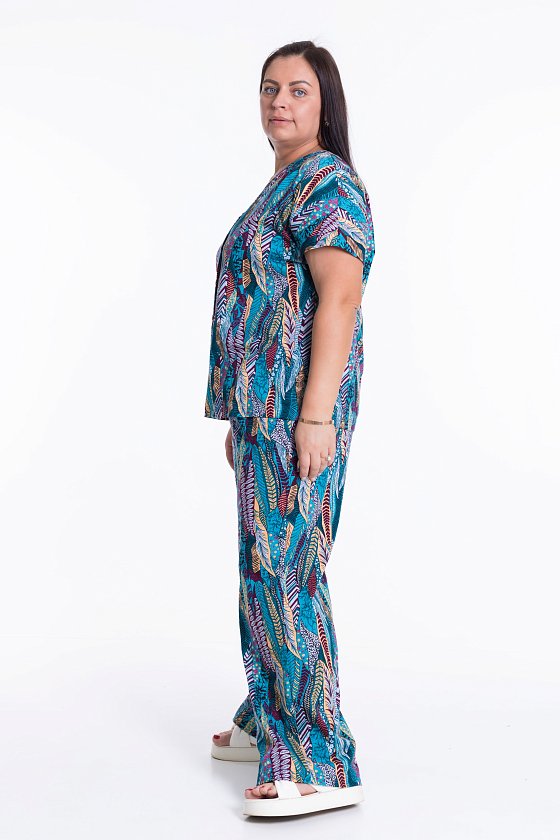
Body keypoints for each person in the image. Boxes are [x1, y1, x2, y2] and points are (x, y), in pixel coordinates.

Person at [203, 40, 375, 818]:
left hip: (299, 411)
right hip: (263, 412)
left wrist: (313, 417)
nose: (280, 101)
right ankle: (268, 718)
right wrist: (244, 412)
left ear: (324, 102)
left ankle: (318, 761)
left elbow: (340, 300)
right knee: (262, 571)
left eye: (299, 90)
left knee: (289, 573)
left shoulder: (327, 184)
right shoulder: (282, 183)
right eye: (270, 88)